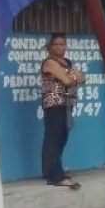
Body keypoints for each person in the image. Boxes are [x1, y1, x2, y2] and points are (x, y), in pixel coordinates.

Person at [40, 32, 84, 189]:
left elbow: (83, 78)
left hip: (67, 104)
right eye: (56, 44)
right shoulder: (50, 63)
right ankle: (56, 176)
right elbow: (67, 80)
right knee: (54, 138)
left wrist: (73, 77)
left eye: (62, 44)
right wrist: (73, 77)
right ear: (50, 47)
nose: (59, 47)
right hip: (54, 104)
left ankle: (53, 171)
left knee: (62, 138)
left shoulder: (67, 62)